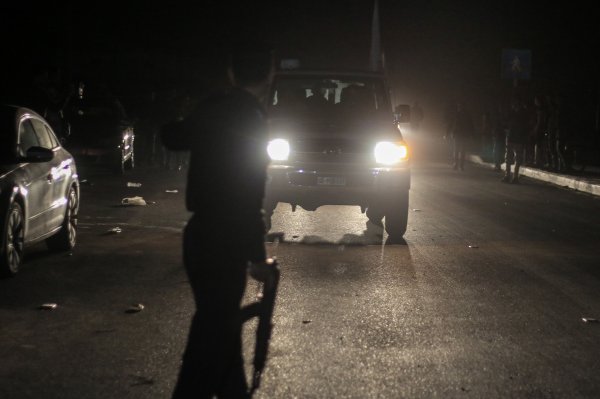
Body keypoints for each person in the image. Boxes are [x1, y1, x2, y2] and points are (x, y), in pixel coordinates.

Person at [161, 41, 275, 398]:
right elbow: (250, 193)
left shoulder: (213, 106)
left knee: (215, 323)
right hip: (229, 236)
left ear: (230, 70)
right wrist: (257, 257)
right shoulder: (254, 118)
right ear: (269, 75)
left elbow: (173, 136)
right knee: (216, 325)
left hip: (199, 233)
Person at [502, 94, 530, 184]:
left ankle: (514, 177)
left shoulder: (522, 113)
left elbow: (525, 126)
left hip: (518, 138)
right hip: (512, 138)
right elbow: (506, 124)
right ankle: (508, 176)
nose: (514, 105)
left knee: (517, 159)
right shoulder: (514, 113)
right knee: (509, 158)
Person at [449, 101, 474, 170]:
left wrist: (451, 132)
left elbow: (452, 124)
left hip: (459, 134)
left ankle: (457, 164)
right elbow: (471, 125)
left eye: (460, 106)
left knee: (458, 149)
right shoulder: (465, 114)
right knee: (461, 150)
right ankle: (460, 165)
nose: (459, 108)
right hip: (462, 134)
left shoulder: (457, 114)